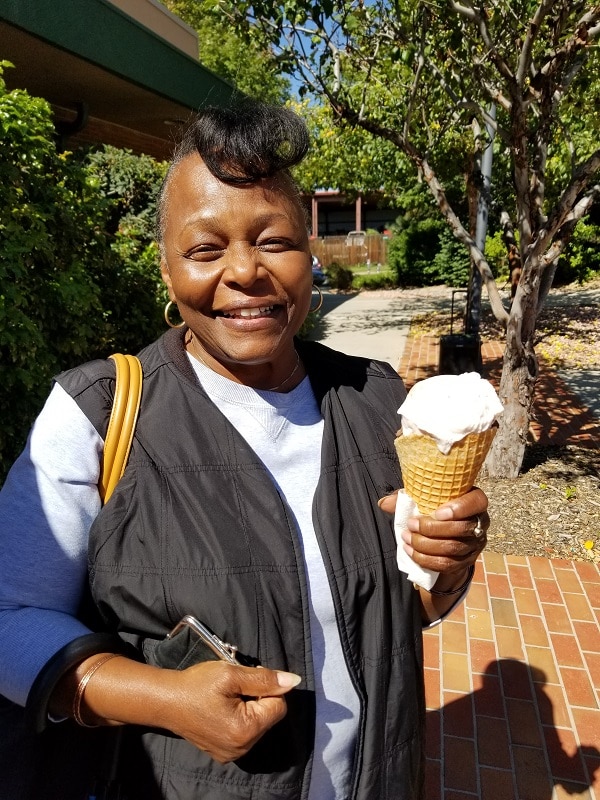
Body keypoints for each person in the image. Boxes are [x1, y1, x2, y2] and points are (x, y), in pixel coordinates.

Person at [0, 100, 489, 800]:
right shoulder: (97, 414)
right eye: (205, 249)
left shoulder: (377, 397)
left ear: (308, 254)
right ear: (167, 270)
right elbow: (8, 620)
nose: (245, 271)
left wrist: (447, 560)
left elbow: (411, 608)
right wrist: (163, 699)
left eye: (274, 240)